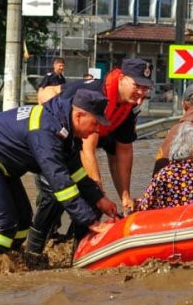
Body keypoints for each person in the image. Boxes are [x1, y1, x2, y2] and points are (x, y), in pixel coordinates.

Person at [0, 87, 120, 258]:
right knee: (3, 227)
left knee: (23, 222)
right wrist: (92, 222)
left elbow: (76, 172)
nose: (98, 130)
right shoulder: (46, 131)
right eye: (95, 123)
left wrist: (100, 199)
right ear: (79, 116)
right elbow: (60, 184)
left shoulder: (65, 127)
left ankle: (10, 262)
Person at [26, 57, 152, 253]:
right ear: (122, 79)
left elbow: (122, 151)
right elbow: (87, 148)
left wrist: (125, 197)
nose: (141, 93)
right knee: (54, 198)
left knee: (91, 203)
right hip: (51, 142)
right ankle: (35, 249)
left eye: (146, 88)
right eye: (137, 86)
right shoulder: (96, 96)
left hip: (75, 144)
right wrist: (97, 193)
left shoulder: (129, 106)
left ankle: (74, 250)